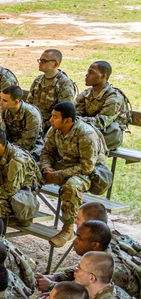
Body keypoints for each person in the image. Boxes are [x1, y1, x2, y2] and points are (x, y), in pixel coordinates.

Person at [40, 101, 111, 248]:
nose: (51, 120)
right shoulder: (54, 130)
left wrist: (58, 175)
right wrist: (47, 168)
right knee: (31, 174)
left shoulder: (86, 134)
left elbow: (87, 166)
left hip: (88, 172)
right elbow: (46, 152)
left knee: (71, 186)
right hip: (65, 164)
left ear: (68, 120)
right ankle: (23, 212)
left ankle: (67, 229)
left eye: (55, 117)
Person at [75, 60, 130, 151]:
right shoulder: (87, 94)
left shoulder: (114, 98)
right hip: (88, 131)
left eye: (91, 72)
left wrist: (76, 121)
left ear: (103, 76)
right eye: (88, 72)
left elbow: (101, 122)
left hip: (108, 135)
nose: (86, 75)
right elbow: (76, 112)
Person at [26, 48, 77, 134]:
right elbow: (29, 104)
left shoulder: (64, 84)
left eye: (44, 61)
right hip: (34, 124)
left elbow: (63, 114)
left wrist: (43, 125)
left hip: (52, 128)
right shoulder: (38, 80)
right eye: (40, 60)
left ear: (55, 64)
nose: (40, 63)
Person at [0, 85, 43, 159]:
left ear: (16, 102)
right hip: (8, 146)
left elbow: (27, 143)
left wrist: (6, 150)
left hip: (30, 150)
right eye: (1, 99)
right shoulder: (4, 110)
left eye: (5, 100)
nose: (0, 103)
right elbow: (0, 136)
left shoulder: (32, 114)